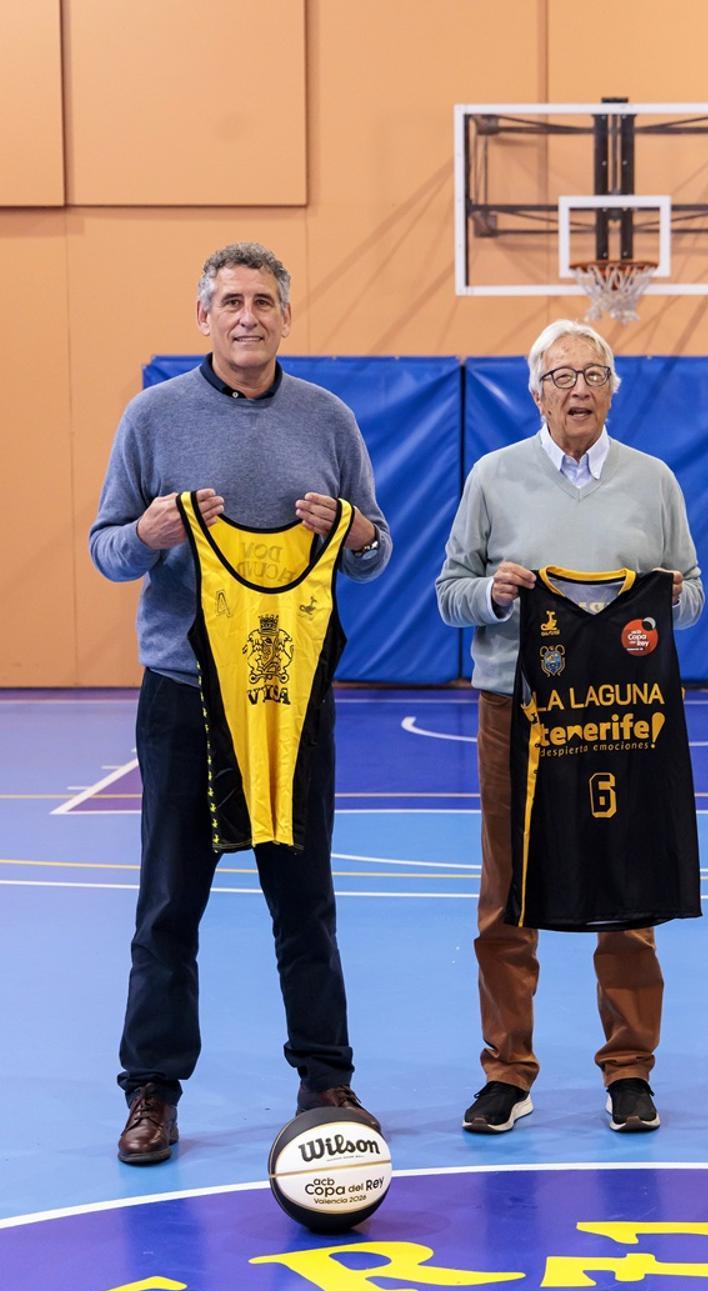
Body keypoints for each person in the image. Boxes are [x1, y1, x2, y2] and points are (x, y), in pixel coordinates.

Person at [89, 241, 392, 1164]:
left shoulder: (328, 419)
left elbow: (377, 547)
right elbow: (106, 549)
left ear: (285, 317)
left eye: (264, 300)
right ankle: (151, 1090)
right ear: (204, 316)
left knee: (304, 902)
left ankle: (327, 1080)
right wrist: (144, 533)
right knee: (168, 905)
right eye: (231, 301)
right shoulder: (153, 417)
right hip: (184, 696)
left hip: (293, 700)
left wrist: (349, 537)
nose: (248, 315)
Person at [436, 319, 703, 1133]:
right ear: (535, 392)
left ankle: (629, 1071)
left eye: (593, 374)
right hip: (515, 711)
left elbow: (690, 595)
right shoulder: (493, 476)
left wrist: (654, 597)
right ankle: (508, 1072)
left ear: (613, 388)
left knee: (628, 891)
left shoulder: (654, 480)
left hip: (623, 717)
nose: (578, 388)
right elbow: (450, 591)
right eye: (560, 376)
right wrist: (494, 596)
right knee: (507, 893)